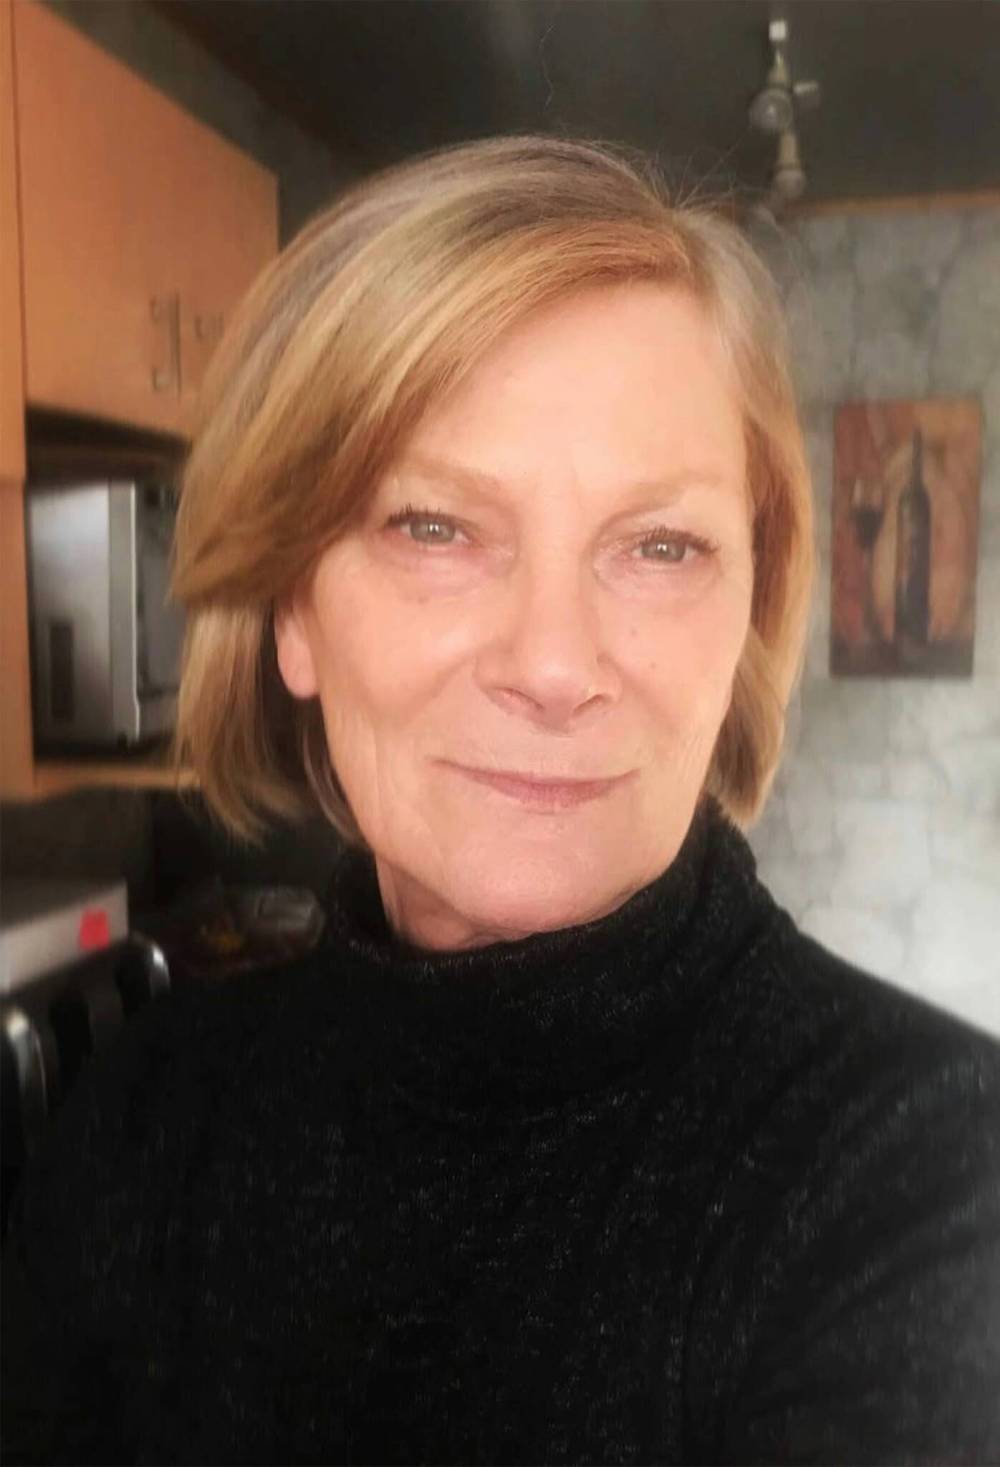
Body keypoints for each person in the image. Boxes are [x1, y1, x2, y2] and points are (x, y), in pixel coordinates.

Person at [3, 136, 998, 1465]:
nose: (554, 665)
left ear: (749, 616)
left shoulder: (933, 1181)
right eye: (436, 528)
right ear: (294, 610)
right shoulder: (140, 1122)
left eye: (660, 546)